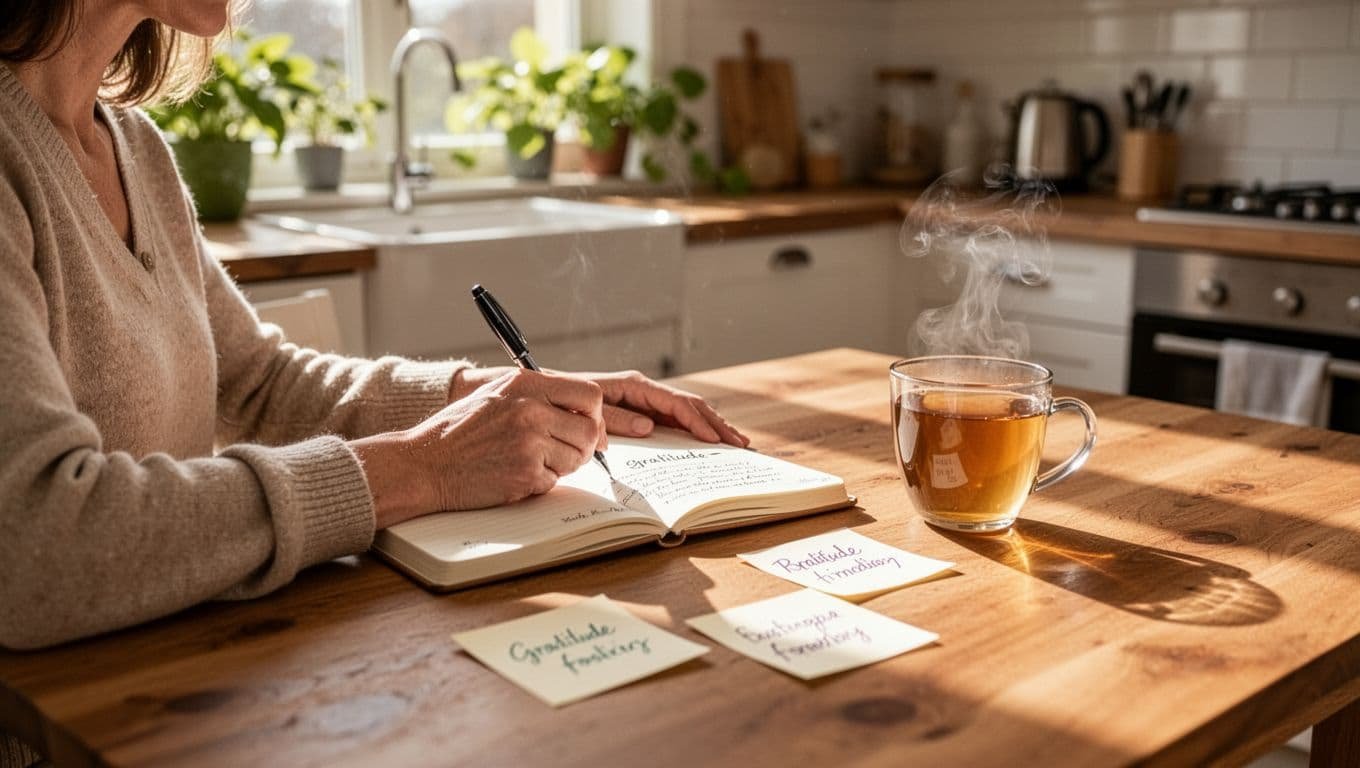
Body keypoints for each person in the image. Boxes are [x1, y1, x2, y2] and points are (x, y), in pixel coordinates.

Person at [0, 2, 747, 762]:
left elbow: (259, 383)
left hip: (179, 697)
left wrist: (486, 399)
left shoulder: (133, 147)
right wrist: (423, 468)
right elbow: (33, 546)